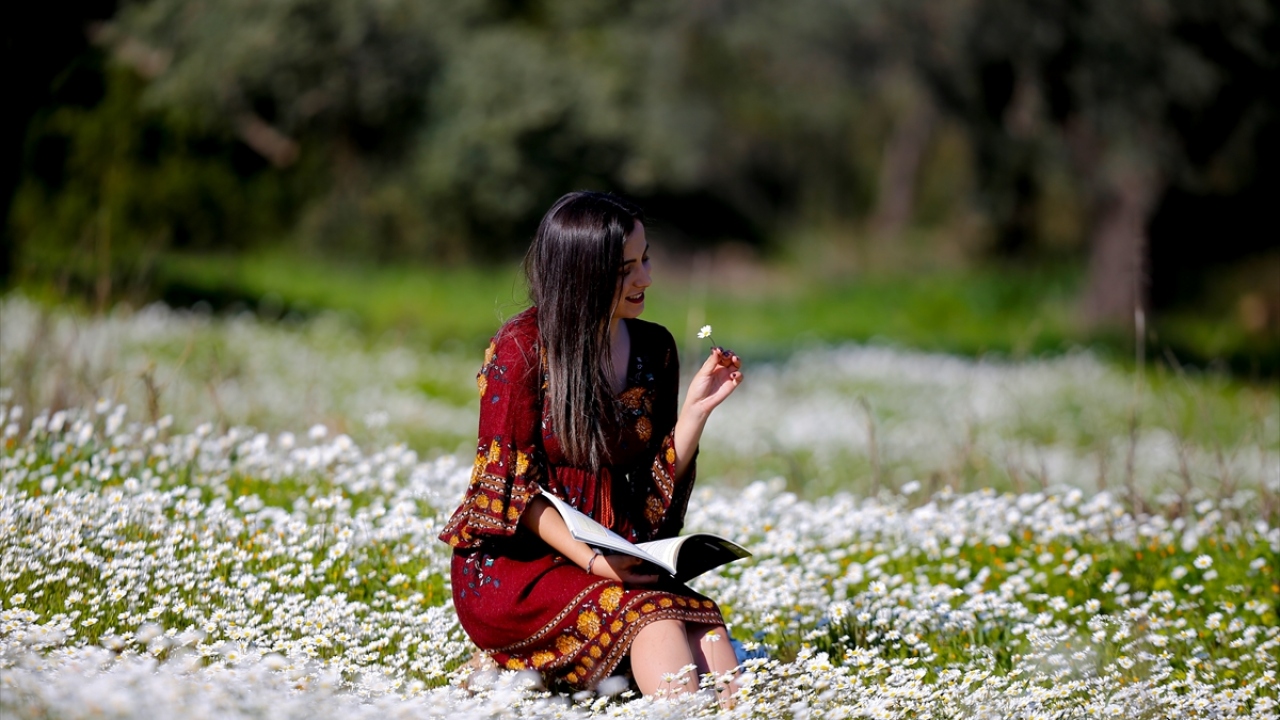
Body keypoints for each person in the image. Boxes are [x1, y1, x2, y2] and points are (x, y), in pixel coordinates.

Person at [438, 191, 745, 699]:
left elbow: (650, 494)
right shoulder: (521, 350)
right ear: (582, 274)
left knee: (703, 624)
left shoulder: (655, 349)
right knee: (654, 619)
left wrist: (695, 412)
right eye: (625, 269)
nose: (645, 278)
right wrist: (593, 562)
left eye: (645, 259)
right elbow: (510, 491)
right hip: (520, 568)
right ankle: (522, 660)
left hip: (611, 549)